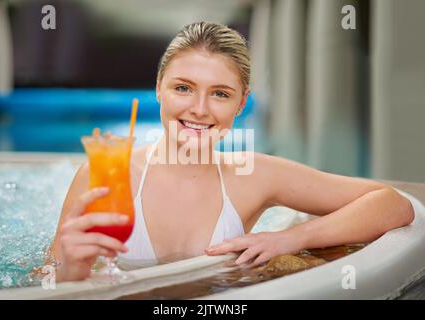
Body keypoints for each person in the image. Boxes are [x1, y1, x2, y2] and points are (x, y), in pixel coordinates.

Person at [49, 21, 415, 282]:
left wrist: (292, 238)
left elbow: (393, 204)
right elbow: (45, 278)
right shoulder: (106, 175)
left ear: (241, 104)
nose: (200, 109)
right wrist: (69, 272)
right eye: (183, 88)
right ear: (158, 89)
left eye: (221, 94)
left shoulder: (253, 176)